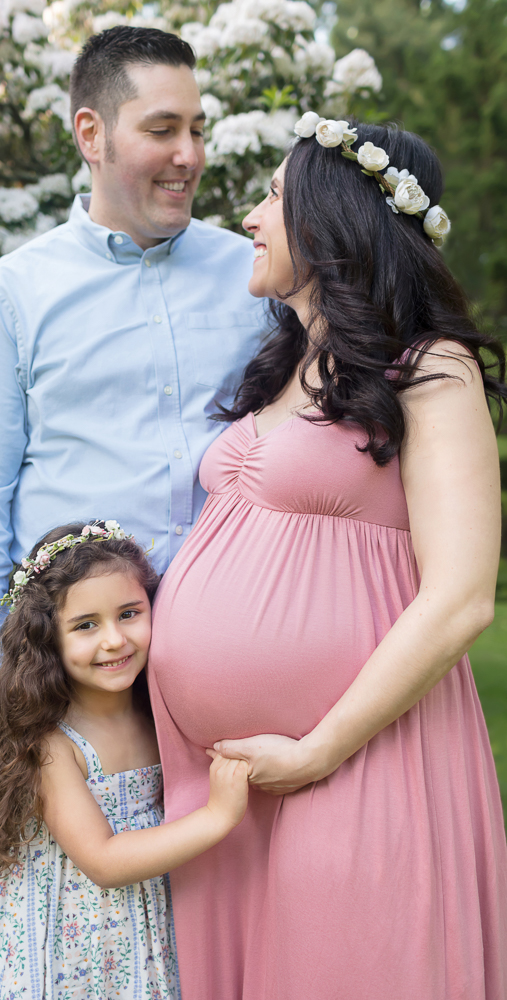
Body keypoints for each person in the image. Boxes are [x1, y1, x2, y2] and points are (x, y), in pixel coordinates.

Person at [147, 118, 507, 999]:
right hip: (219, 782)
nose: (253, 213)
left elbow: (462, 598)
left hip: (356, 755)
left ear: (331, 217)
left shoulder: (430, 370)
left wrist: (316, 749)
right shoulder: (280, 367)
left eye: (272, 193)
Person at [0, 25, 265, 704]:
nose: (188, 155)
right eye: (163, 128)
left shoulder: (256, 275)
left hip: (232, 666)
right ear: (91, 134)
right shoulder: (12, 294)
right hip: (74, 685)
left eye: (197, 129)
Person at [0, 521, 249, 998]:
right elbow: (103, 860)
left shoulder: (159, 714)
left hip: (143, 934)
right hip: (69, 951)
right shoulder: (50, 744)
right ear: (48, 638)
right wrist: (218, 816)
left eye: (129, 613)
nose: (114, 640)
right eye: (86, 625)